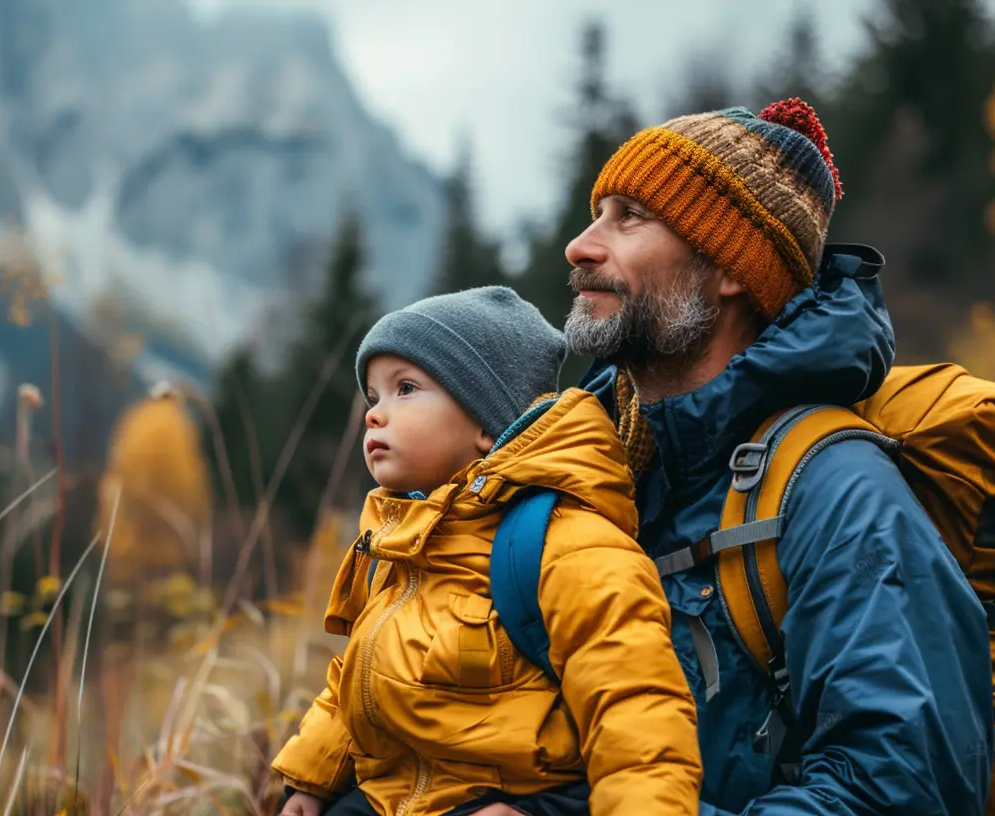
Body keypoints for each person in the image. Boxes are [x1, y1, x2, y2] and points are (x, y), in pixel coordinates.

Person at [561, 98, 995, 813]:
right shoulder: (594, 470)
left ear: (731, 266)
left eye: (629, 215)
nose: (581, 245)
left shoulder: (838, 493)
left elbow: (903, 793)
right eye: (596, 212)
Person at [272, 286, 702, 816]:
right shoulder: (404, 545)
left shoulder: (569, 545)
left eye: (405, 389)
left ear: (484, 421)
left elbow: (636, 715)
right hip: (390, 799)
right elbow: (361, 682)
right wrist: (311, 781)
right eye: (374, 397)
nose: (374, 415)